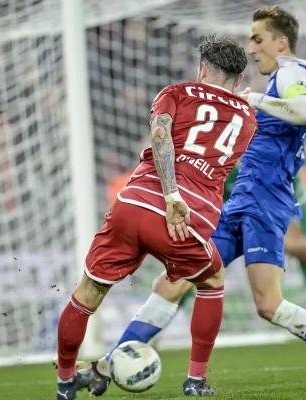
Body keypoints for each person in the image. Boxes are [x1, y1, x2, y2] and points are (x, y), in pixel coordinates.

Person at [67, 5, 306, 397]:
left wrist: (258, 100)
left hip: (266, 203)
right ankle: (107, 366)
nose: (251, 48)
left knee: (268, 304)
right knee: (173, 282)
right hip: (241, 201)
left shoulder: (291, 76)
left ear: (281, 43)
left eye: (257, 39)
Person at [55, 34, 256, 399]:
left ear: (203, 69)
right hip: (184, 219)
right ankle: (196, 381)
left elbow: (161, 133)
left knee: (87, 292)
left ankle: (66, 382)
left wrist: (168, 191)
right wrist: (175, 198)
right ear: (239, 78)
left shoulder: (176, 92)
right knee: (211, 281)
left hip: (133, 203)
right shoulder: (248, 117)